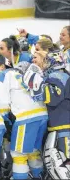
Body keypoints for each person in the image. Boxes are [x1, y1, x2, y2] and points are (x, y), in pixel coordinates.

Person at [0, 54, 48, 179]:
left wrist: (4, 119)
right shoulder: (22, 71)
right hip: (42, 115)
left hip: (27, 117)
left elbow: (2, 102)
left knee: (18, 154)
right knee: (33, 152)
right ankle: (38, 176)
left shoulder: (0, 76)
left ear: (3, 66)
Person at [23, 50, 70, 178]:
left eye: (38, 58)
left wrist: (34, 80)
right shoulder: (60, 75)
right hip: (59, 127)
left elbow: (53, 97)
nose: (34, 62)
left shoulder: (58, 75)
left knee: (64, 167)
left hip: (64, 128)